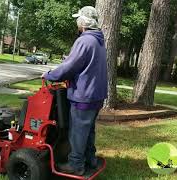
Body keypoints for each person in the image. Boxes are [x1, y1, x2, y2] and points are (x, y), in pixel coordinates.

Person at [42, 6, 108, 175]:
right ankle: (90, 160)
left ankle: (76, 165)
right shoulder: (98, 40)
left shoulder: (84, 40)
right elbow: (83, 63)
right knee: (88, 130)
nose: (77, 22)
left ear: (83, 22)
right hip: (96, 95)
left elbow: (69, 67)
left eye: (78, 19)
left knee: (78, 131)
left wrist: (50, 74)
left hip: (84, 95)